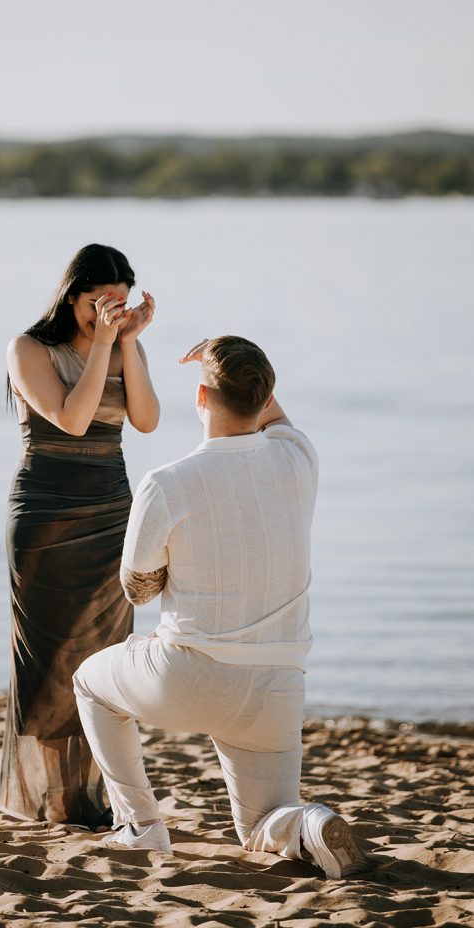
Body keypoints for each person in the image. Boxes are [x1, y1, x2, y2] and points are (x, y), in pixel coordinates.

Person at [73, 335, 371, 878]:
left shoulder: (166, 483)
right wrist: (231, 352)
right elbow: (272, 408)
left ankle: (140, 826)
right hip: (277, 686)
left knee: (91, 682)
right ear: (265, 396)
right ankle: (305, 825)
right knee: (262, 825)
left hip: (187, 677)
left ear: (200, 397)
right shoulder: (299, 455)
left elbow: (136, 590)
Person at [0, 243, 159, 828]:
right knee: (46, 663)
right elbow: (71, 418)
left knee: (104, 659)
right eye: (98, 304)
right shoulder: (28, 348)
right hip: (45, 518)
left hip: (111, 514)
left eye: (119, 303)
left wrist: (129, 345)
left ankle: (90, 799)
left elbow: (145, 420)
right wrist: (106, 348)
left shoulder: (118, 345)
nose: (108, 314)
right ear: (73, 296)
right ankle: (44, 800)